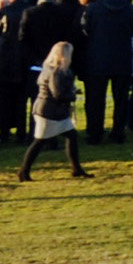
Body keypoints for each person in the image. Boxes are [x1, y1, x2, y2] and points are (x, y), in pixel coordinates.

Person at [19, 41, 89, 179]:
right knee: (39, 141)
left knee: (71, 136)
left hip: (52, 110)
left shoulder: (51, 69)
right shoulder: (56, 72)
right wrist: (72, 95)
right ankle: (24, 171)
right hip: (49, 112)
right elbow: (58, 94)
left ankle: (77, 169)